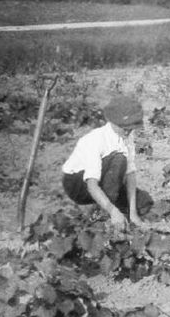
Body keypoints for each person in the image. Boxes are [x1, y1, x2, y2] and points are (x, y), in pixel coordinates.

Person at [61, 94, 152, 224]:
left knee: (144, 202)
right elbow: (91, 184)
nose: (128, 132)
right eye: (124, 128)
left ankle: (108, 204)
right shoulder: (95, 140)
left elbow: (130, 173)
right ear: (113, 122)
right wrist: (113, 211)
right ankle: (102, 213)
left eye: (131, 128)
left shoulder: (127, 136)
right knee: (119, 159)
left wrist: (133, 213)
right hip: (77, 184)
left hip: (106, 178)